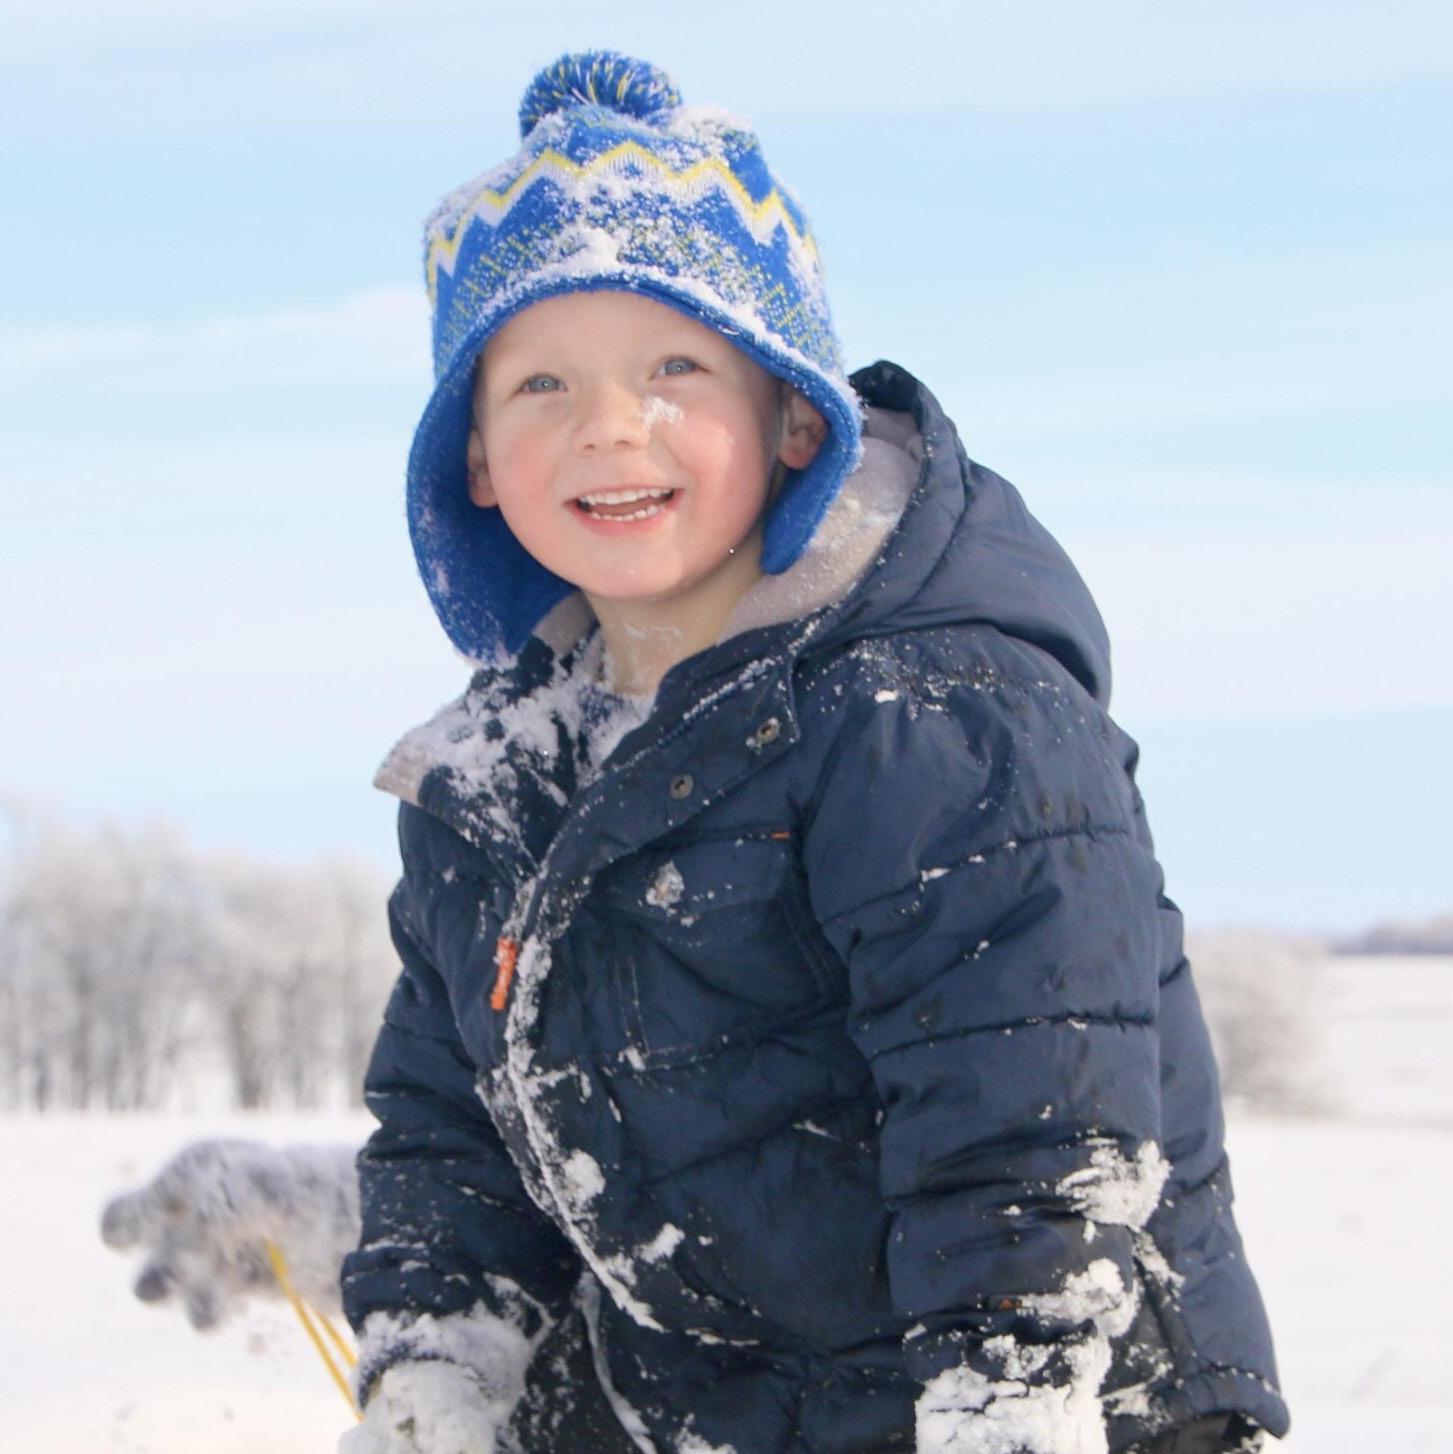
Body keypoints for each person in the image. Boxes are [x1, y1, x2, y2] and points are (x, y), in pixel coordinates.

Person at [102, 51, 1288, 1454]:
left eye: (675, 366)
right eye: (541, 381)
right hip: (720, 1406)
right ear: (473, 458)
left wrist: (1010, 1409)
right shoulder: (496, 783)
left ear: (794, 415)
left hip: (1044, 1397)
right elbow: (458, 1128)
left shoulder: (932, 709)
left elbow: (1027, 1121)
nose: (611, 421)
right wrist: (434, 1348)